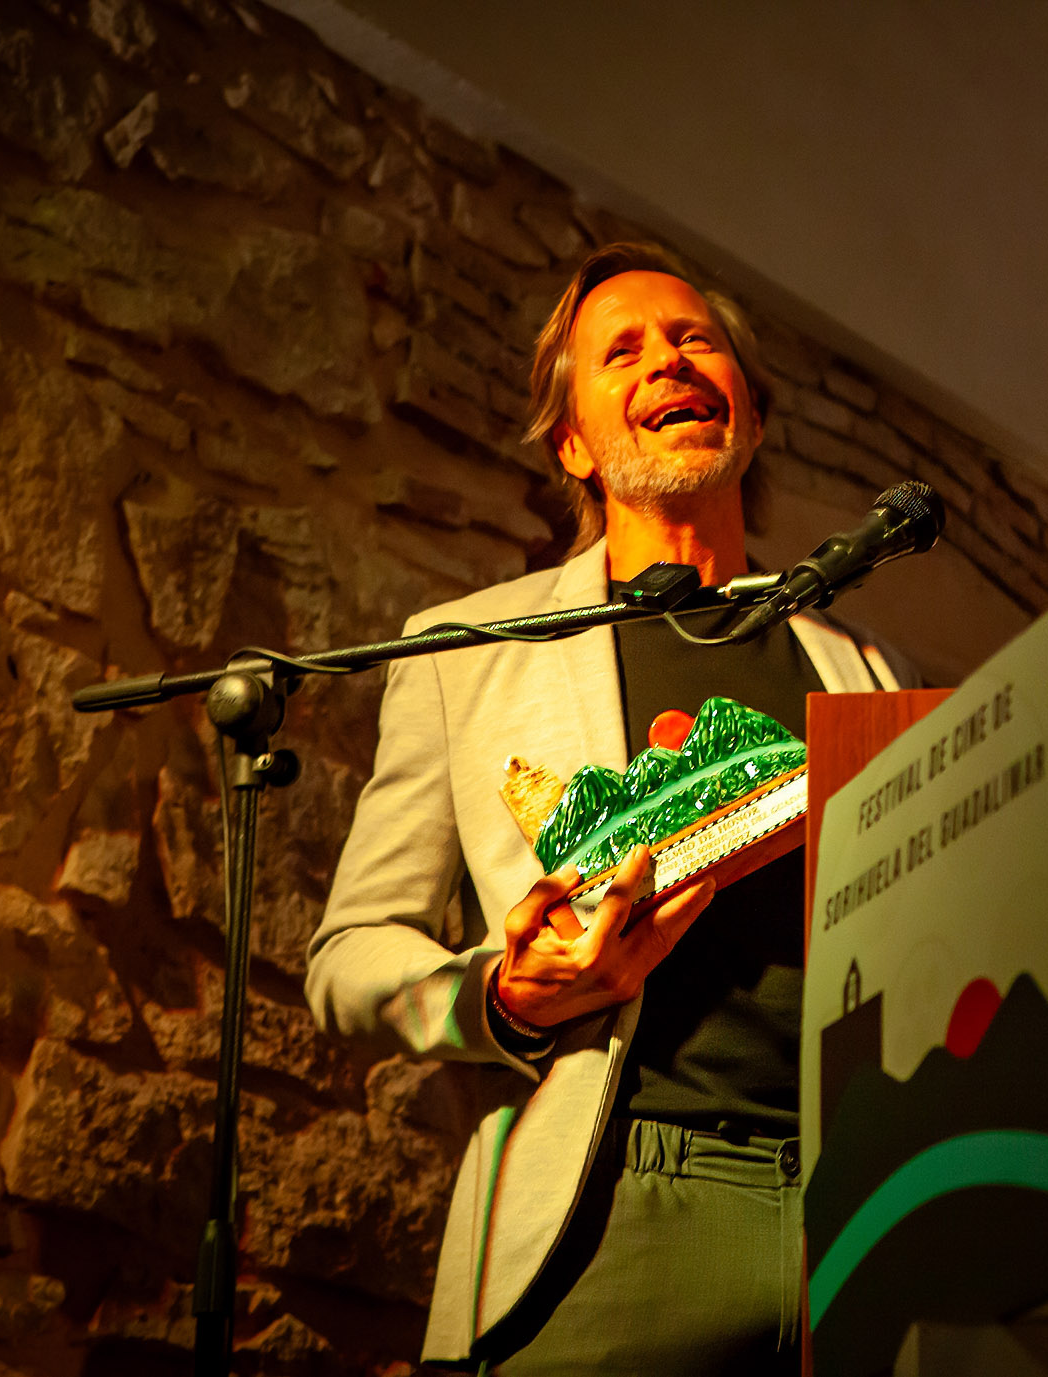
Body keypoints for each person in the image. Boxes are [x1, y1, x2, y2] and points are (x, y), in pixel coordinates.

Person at [306, 242, 905, 1373]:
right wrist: (502, 996)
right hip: (613, 1206)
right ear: (574, 444)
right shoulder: (466, 653)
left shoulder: (866, 665)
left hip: (861, 1215)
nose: (666, 361)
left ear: (750, 416)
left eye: (694, 339)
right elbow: (348, 959)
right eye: (620, 352)